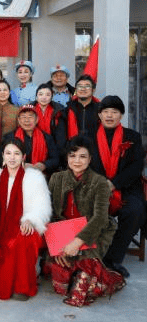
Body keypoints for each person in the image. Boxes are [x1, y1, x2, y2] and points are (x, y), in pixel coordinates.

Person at [46, 136, 125, 307]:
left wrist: (77, 242)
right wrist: (56, 248)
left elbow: (100, 218)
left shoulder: (99, 182)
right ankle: (92, 277)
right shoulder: (56, 179)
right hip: (64, 233)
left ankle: (111, 280)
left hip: (93, 232)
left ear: (90, 159)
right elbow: (50, 214)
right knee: (60, 285)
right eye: (72, 156)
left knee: (82, 281)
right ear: (67, 158)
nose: (77, 161)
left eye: (82, 156)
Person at [0, 139, 51, 301]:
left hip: (25, 224)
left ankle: (21, 287)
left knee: (23, 238)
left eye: (16, 153)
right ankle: (5, 283)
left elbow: (42, 207)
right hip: (0, 225)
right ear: (2, 156)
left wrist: (31, 219)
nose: (12, 157)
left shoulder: (34, 178)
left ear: (23, 157)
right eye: (8, 153)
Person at [91, 96, 146, 278]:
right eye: (105, 111)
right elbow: (84, 164)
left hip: (126, 186)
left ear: (121, 115)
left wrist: (114, 183)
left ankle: (113, 259)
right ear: (100, 115)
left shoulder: (133, 137)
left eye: (114, 112)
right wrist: (102, 184)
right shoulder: (88, 136)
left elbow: (136, 166)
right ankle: (90, 255)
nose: (109, 115)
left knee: (135, 210)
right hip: (96, 186)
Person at [0, 106, 60, 174]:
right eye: (23, 117)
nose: (27, 120)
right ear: (19, 120)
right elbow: (0, 157)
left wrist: (44, 165)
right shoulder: (9, 137)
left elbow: (55, 159)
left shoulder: (47, 138)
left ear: (36, 120)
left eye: (30, 117)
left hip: (40, 175)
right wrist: (19, 164)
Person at [32, 83, 67, 154]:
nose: (44, 97)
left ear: (51, 97)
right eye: (40, 94)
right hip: (34, 145)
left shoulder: (58, 110)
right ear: (36, 96)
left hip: (53, 145)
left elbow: (61, 135)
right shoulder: (30, 109)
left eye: (47, 95)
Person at [65, 74, 99, 141]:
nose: (83, 89)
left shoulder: (100, 110)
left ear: (93, 90)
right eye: (80, 86)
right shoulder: (67, 110)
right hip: (73, 146)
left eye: (87, 86)